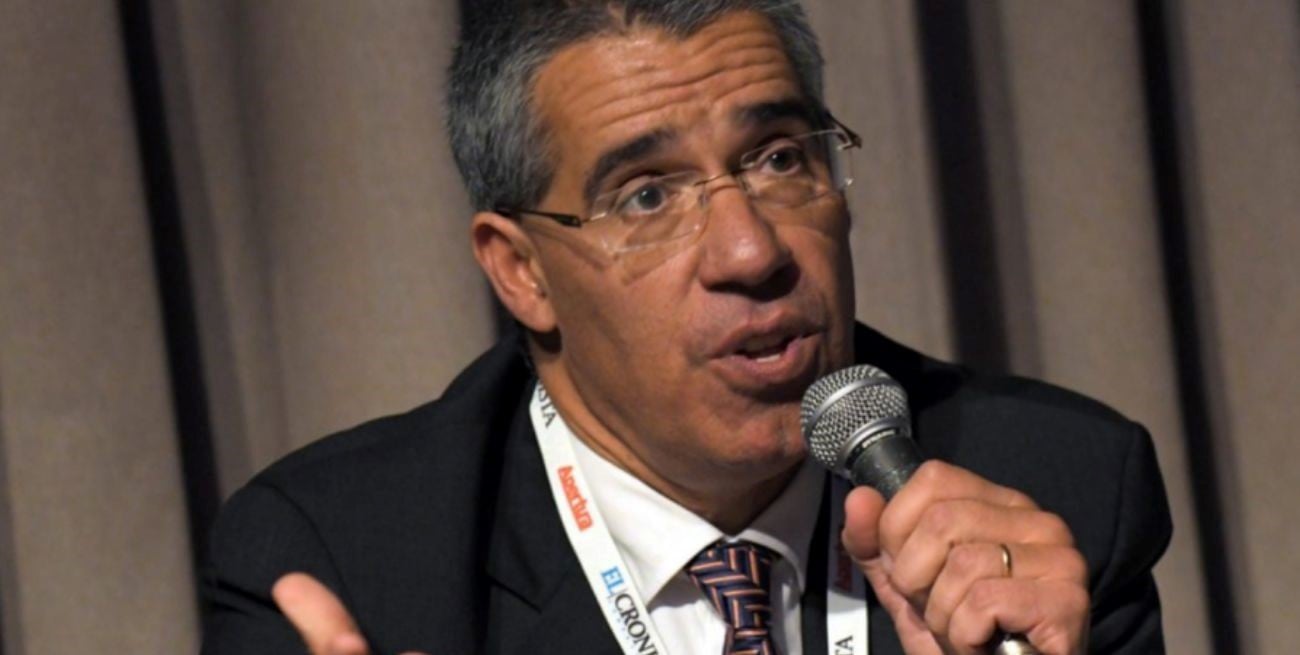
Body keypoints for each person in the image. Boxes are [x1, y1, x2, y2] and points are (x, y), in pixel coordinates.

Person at [201, 2, 1171, 654]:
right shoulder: (341, 563)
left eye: (780, 158)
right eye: (647, 195)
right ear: (521, 270)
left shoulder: (1054, 488)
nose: (751, 250)